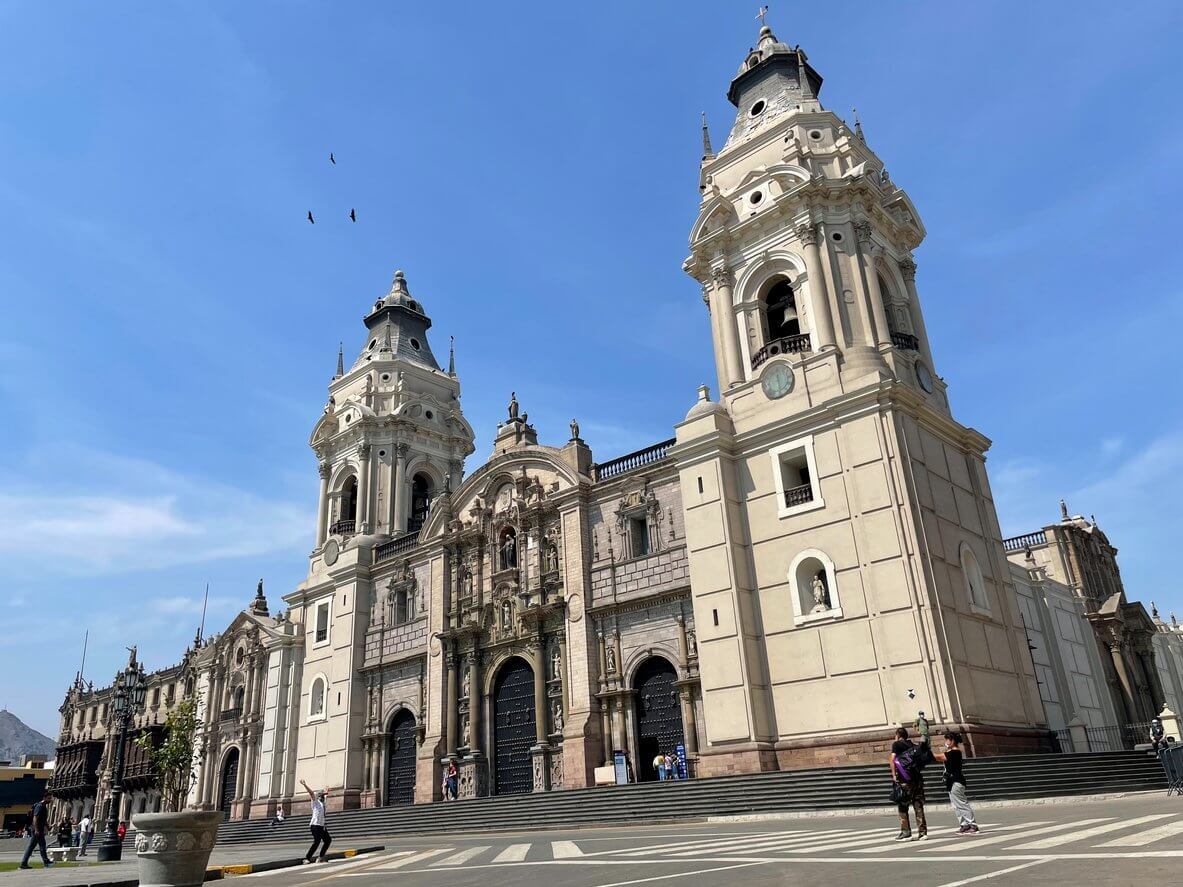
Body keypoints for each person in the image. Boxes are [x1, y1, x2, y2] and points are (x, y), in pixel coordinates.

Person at [932, 731, 978, 834]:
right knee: (956, 805)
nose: (946, 742)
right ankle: (964, 825)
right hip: (951, 781)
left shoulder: (955, 752)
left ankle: (973, 825)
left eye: (947, 740)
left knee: (961, 803)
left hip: (956, 781)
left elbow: (939, 757)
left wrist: (926, 752)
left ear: (952, 741)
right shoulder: (950, 752)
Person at [889, 727, 927, 841]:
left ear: (898, 735)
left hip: (904, 779)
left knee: (903, 805)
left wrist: (894, 775)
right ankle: (923, 833)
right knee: (918, 805)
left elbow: (892, 759)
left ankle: (906, 832)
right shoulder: (913, 745)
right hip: (917, 779)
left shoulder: (896, 744)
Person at [300, 780, 331, 864]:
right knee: (317, 841)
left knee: (328, 840)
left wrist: (326, 791)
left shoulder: (323, 803)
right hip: (315, 825)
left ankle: (321, 857)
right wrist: (305, 785)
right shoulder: (315, 802)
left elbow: (326, 795)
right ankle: (307, 858)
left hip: (322, 826)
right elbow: (311, 793)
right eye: (322, 796)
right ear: (319, 796)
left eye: (323, 796)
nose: (324, 797)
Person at [19, 792, 53, 869]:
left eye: (50, 798)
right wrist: (36, 829)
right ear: (44, 798)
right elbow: (35, 818)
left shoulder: (43, 806)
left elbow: (43, 819)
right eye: (48, 798)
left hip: (38, 829)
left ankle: (24, 864)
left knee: (31, 846)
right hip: (36, 829)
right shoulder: (39, 806)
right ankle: (46, 862)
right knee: (42, 845)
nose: (50, 800)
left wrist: (48, 827)